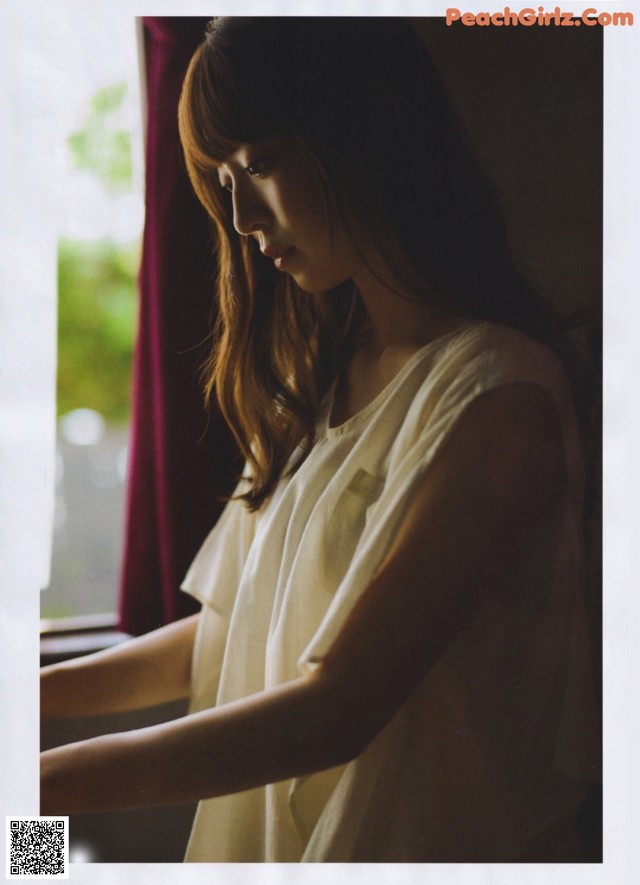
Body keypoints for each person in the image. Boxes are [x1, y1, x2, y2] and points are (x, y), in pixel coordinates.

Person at [40, 17, 600, 862]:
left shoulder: (499, 395)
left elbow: (334, 709)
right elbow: (230, 626)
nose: (237, 214)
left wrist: (43, 784)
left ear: (367, 128)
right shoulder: (318, 383)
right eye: (222, 178)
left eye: (258, 163)